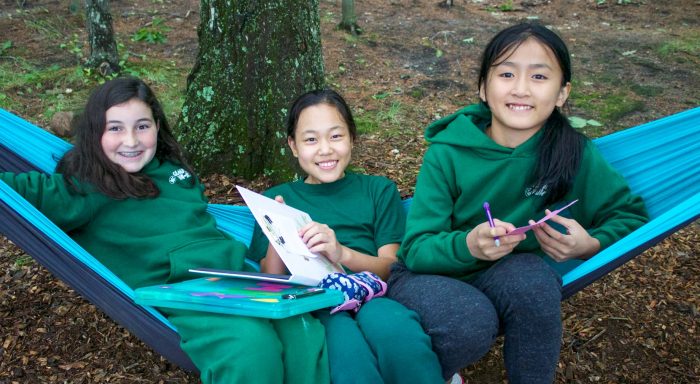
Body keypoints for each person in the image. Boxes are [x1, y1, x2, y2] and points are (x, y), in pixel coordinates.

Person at [0, 77, 329, 384]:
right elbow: (16, 192)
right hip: (187, 291)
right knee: (249, 348)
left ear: (157, 127)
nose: (131, 141)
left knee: (302, 332)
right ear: (94, 132)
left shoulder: (173, 171)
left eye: (142, 126)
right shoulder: (85, 187)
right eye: (115, 128)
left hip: (241, 275)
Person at [385, 23, 649, 383]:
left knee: (535, 281)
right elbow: (415, 249)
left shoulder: (573, 153)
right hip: (429, 275)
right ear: (483, 87)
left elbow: (631, 215)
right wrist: (468, 244)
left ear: (561, 93)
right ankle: (429, 373)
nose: (521, 88)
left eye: (539, 76)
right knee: (471, 320)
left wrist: (590, 244)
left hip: (505, 275)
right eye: (507, 73)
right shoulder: (447, 154)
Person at [247, 89, 445, 384]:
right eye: (311, 139)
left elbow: (390, 266)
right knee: (344, 350)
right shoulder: (278, 199)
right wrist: (278, 228)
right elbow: (270, 280)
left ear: (352, 137)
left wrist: (341, 253)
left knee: (399, 335)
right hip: (316, 305)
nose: (325, 149)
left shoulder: (378, 190)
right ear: (293, 146)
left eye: (335, 136)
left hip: (373, 294)